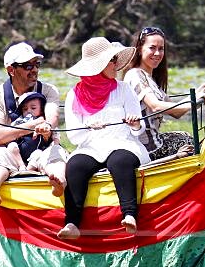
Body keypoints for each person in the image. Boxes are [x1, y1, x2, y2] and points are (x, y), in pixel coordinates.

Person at [57, 37, 150, 240]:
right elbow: (73, 136)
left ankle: (129, 214)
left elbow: (139, 127)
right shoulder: (75, 94)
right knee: (75, 165)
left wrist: (135, 123)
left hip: (123, 143)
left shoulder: (124, 89)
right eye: (112, 59)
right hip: (91, 146)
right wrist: (88, 127)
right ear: (98, 66)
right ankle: (72, 222)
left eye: (115, 58)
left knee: (120, 161)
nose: (116, 64)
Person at [0, 42, 66, 206]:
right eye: (28, 66)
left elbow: (52, 118)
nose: (34, 70)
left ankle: (59, 182)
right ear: (11, 70)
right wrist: (36, 124)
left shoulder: (49, 90)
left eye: (36, 64)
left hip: (42, 151)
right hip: (10, 153)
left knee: (56, 151)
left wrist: (46, 125)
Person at [122, 26, 205, 160]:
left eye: (161, 49)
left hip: (157, 142)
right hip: (146, 149)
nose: (157, 53)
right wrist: (193, 103)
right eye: (152, 48)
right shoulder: (135, 75)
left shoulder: (150, 79)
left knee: (189, 139)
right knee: (195, 148)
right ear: (140, 49)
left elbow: (176, 111)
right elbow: (155, 105)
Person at [3, 91, 57, 172]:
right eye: (25, 109)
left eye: (33, 108)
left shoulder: (44, 122)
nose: (28, 111)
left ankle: (29, 170)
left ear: (41, 110)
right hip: (20, 152)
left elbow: (50, 136)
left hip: (37, 151)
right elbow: (11, 132)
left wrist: (44, 133)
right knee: (12, 146)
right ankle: (21, 165)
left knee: (39, 153)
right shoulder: (19, 121)